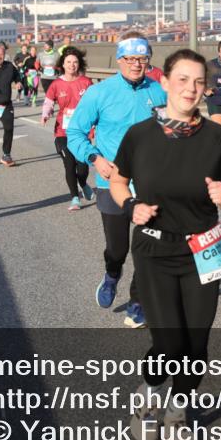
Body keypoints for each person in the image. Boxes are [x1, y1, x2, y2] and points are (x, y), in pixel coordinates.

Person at [108, 48, 221, 440]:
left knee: (196, 346)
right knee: (169, 344)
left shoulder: (217, 136)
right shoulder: (140, 135)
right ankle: (147, 399)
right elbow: (118, 181)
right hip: (154, 250)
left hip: (204, 249)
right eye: (182, 80)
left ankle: (178, 410)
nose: (191, 89)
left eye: (199, 82)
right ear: (164, 82)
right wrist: (131, 206)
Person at [66, 32, 166, 327]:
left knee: (148, 248)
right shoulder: (100, 92)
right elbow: (75, 133)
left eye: (142, 58)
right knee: (118, 249)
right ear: (119, 59)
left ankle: (138, 301)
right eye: (131, 59)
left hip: (150, 184)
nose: (137, 64)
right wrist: (95, 158)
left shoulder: (159, 91)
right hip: (112, 183)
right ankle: (112, 275)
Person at [43, 47, 95, 211]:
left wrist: (95, 126)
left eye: (75, 62)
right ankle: (74, 198)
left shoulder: (86, 82)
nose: (72, 65)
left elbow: (94, 105)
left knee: (82, 166)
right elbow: (49, 103)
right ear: (63, 65)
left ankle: (83, 182)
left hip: (82, 131)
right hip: (62, 132)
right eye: (68, 62)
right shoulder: (56, 84)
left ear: (79, 64)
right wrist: (46, 113)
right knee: (69, 163)